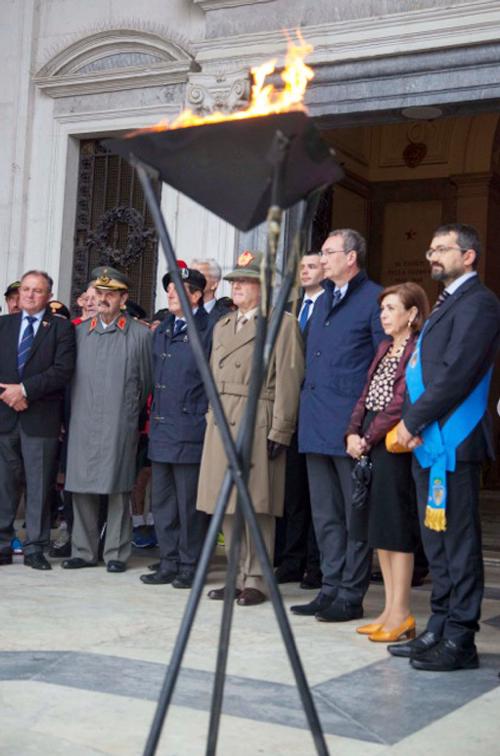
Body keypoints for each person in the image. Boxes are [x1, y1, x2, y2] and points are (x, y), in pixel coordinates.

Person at [390, 223, 500, 671]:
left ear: (468, 255)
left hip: (453, 439)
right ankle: (438, 625)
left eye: (442, 249)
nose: (432, 255)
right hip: (427, 440)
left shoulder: (481, 304)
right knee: (435, 544)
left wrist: (412, 422)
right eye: (431, 248)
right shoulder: (446, 303)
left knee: (458, 543)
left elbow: (457, 373)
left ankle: (461, 638)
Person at [196, 250, 304, 606]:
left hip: (257, 417)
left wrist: (281, 429)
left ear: (263, 287)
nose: (237, 287)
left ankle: (256, 577)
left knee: (256, 505)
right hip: (222, 420)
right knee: (224, 503)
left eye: (245, 281)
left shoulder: (281, 324)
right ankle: (235, 574)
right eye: (235, 281)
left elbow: (289, 380)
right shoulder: (224, 324)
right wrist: (211, 416)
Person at [292, 229, 385, 621]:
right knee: (325, 513)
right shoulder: (324, 299)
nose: (322, 259)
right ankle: (330, 586)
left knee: (354, 515)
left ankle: (351, 593)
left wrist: (366, 426)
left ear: (351, 258)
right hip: (315, 422)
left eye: (329, 253)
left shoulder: (374, 299)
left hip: (351, 428)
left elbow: (383, 363)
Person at [345, 282, 430, 642]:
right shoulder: (383, 347)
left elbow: (399, 403)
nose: (384, 315)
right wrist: (352, 431)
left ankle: (403, 613)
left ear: (412, 315)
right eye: (382, 309)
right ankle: (388, 611)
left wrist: (368, 437)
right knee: (379, 530)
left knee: (396, 530)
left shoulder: (416, 350)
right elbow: (366, 395)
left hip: (394, 444)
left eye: (391, 308)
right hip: (371, 439)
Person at [63, 266, 152, 573]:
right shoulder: (78, 334)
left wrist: (127, 410)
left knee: (118, 487)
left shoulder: (139, 335)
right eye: (98, 294)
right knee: (82, 485)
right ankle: (84, 551)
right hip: (83, 420)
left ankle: (115, 553)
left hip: (119, 422)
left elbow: (147, 384)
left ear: (123, 298)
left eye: (110, 295)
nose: (102, 300)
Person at [141, 265, 212, 587]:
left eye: (178, 289)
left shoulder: (208, 329)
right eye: (168, 288)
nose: (170, 293)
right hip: (161, 427)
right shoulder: (163, 329)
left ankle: (190, 564)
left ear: (196, 296)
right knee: (163, 502)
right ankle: (168, 561)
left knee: (189, 505)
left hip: (190, 428)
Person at [0, 270, 76, 569]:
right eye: (26, 290)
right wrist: (8, 393)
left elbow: (62, 370)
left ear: (49, 295)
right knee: (4, 484)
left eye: (37, 290)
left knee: (39, 485)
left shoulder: (61, 328)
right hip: (5, 416)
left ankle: (35, 547)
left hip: (41, 418)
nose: (30, 295)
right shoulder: (3, 325)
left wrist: (25, 391)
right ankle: (3, 544)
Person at [275, 251, 324, 588]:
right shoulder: (288, 308)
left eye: (312, 267)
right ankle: (291, 561)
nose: (305, 272)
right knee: (291, 494)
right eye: (301, 267)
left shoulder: (331, 305)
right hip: (291, 408)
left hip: (319, 411)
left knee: (318, 495)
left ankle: (315, 564)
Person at [190, 257, 235, 324]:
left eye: (199, 276)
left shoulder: (227, 318)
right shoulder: (177, 313)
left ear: (214, 284)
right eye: (190, 276)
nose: (192, 280)